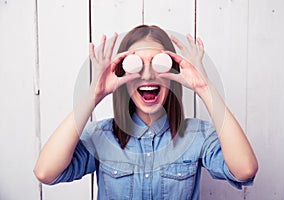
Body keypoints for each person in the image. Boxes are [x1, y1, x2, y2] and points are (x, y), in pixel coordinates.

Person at [34, 25, 258, 199]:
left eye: (158, 63)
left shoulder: (196, 135)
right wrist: (94, 94)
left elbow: (244, 170)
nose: (148, 75)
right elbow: (45, 172)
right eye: (136, 64)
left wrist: (204, 87)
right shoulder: (102, 137)